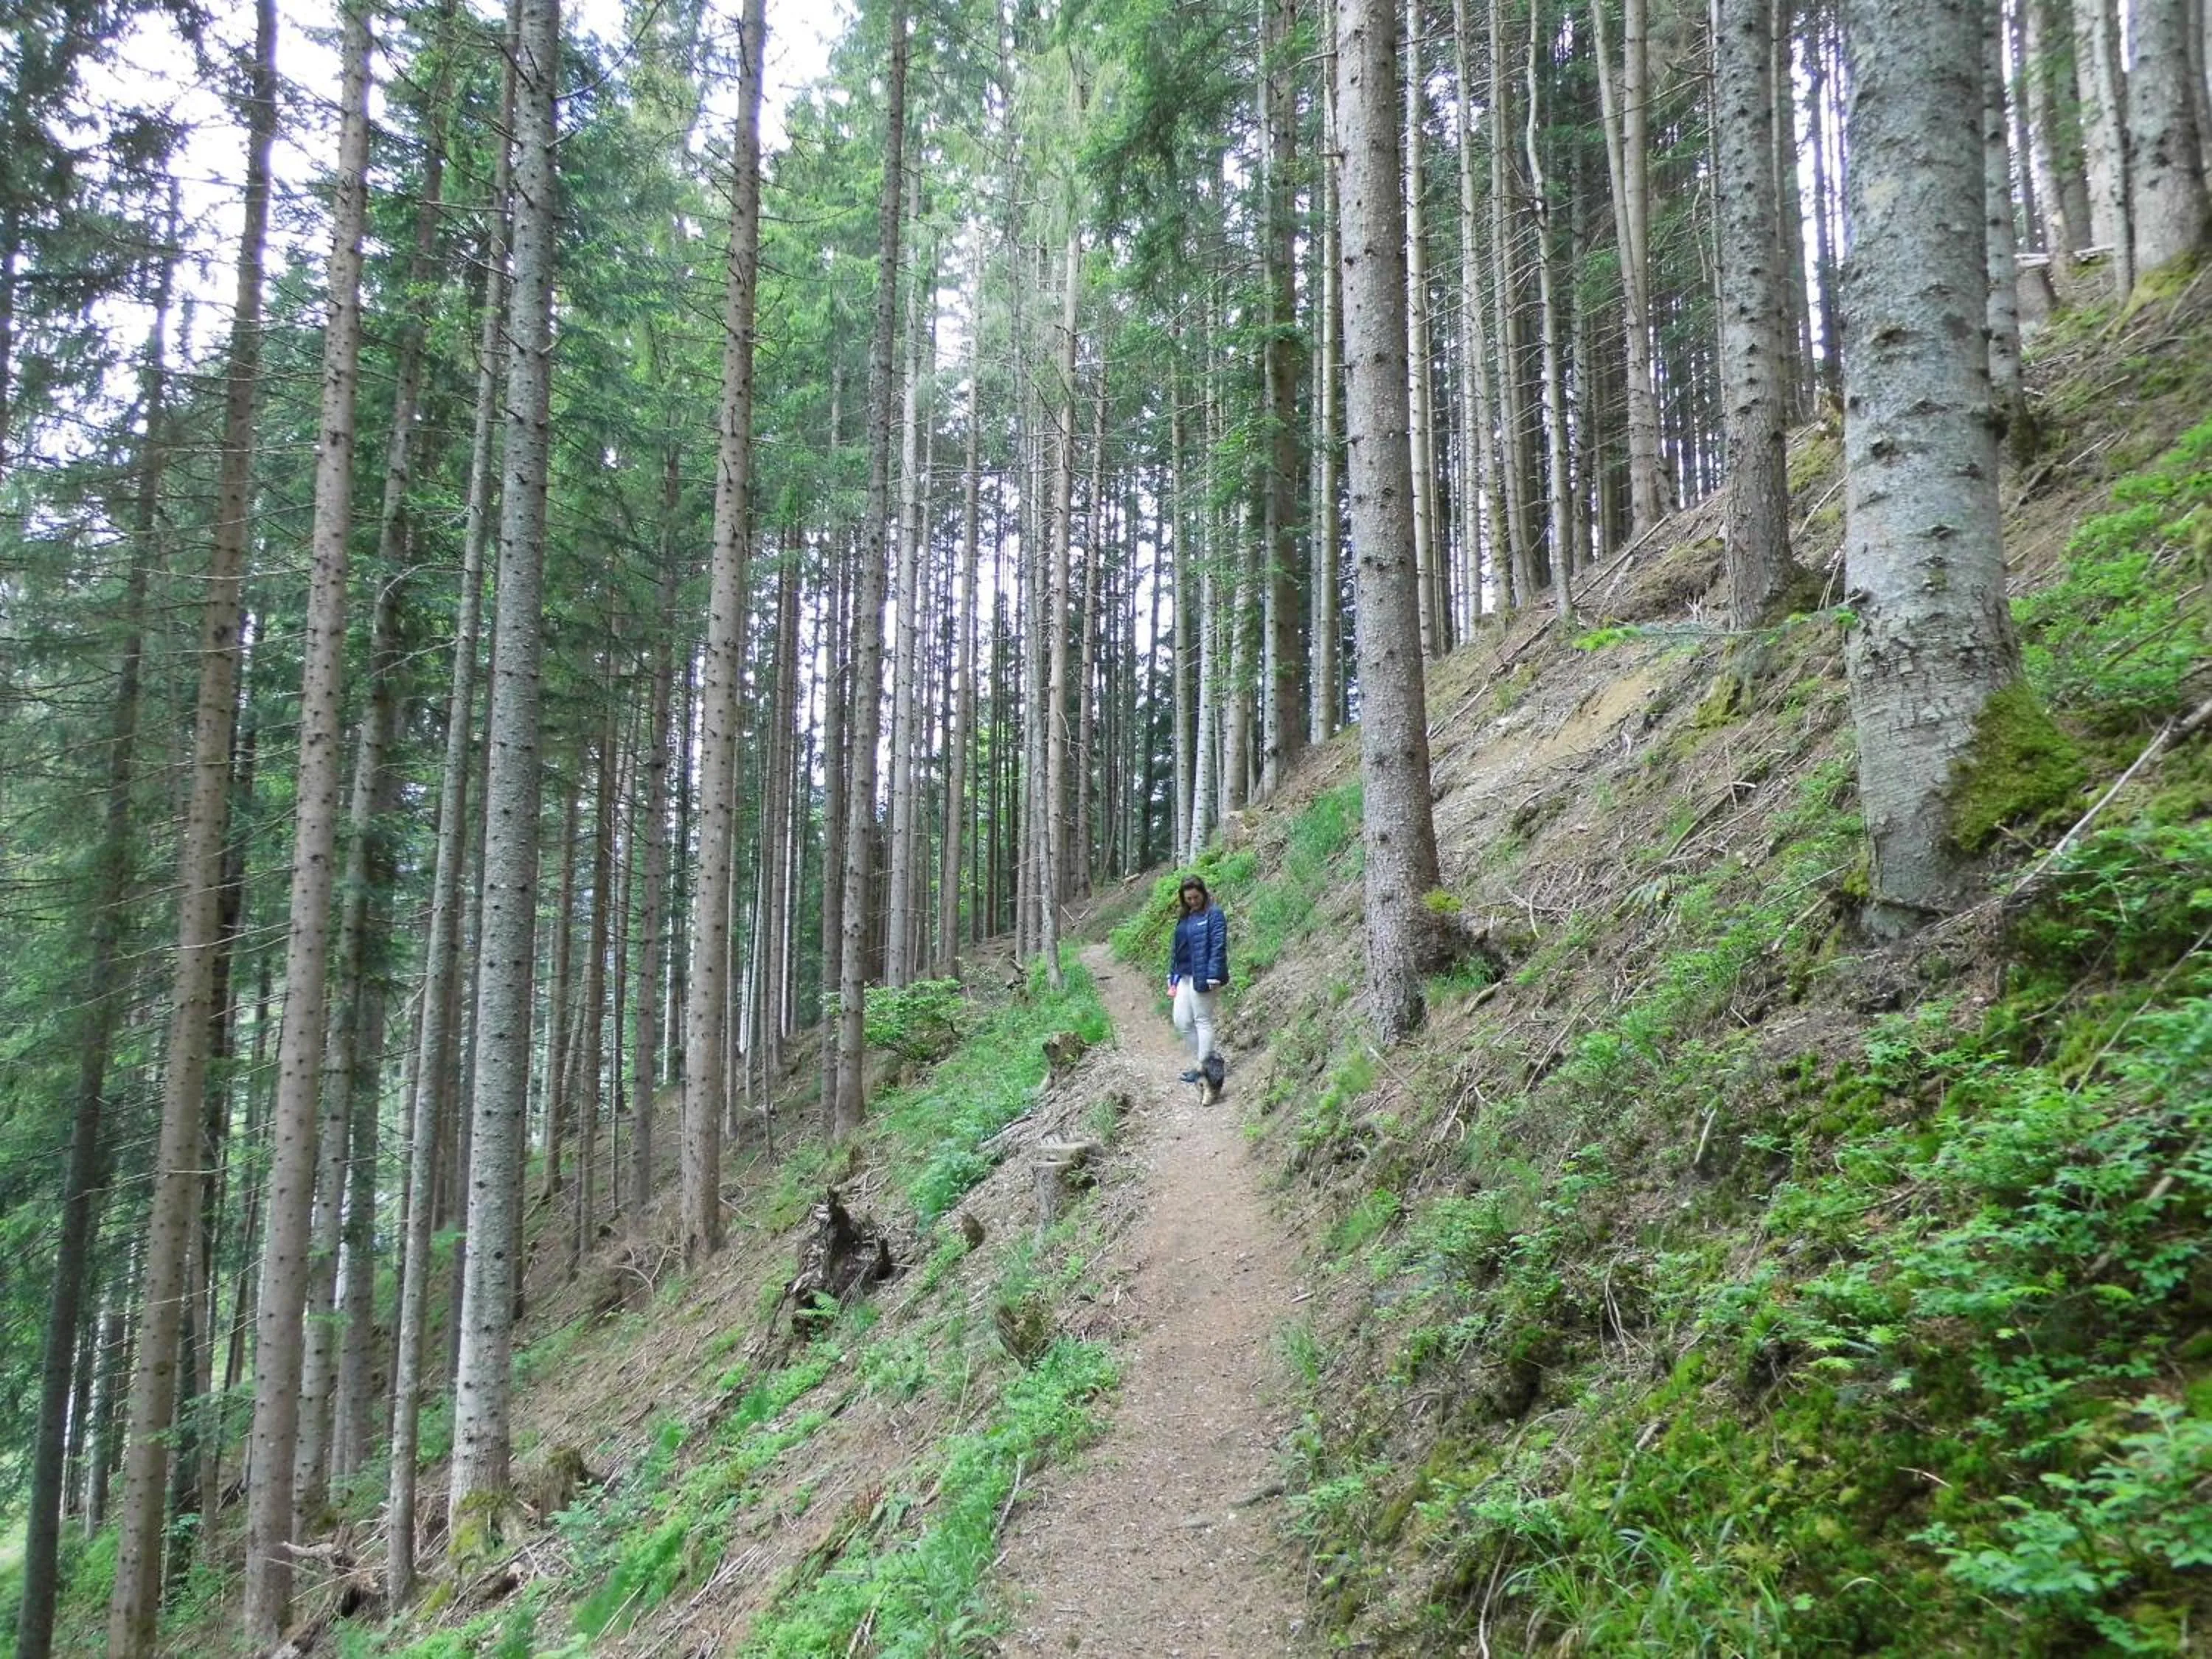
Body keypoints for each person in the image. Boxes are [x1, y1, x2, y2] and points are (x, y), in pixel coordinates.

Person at [1166, 875, 1228, 1085]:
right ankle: (1207, 1061)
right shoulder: (1185, 916)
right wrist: (1172, 973)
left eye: (1196, 897)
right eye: (1189, 899)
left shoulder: (1214, 914)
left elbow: (1218, 946)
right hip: (1183, 975)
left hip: (1203, 975)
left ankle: (1203, 1068)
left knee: (1202, 1020)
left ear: (1203, 893)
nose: (1193, 901)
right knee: (1182, 1021)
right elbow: (1177, 948)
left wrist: (1214, 974)